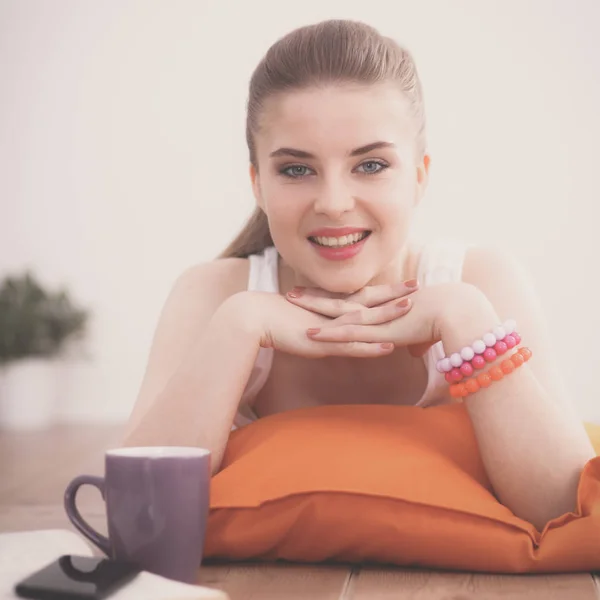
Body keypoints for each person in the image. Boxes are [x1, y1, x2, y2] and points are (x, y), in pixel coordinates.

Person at [122, 19, 595, 531]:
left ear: (419, 176)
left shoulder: (482, 281)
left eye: (370, 165)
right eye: (297, 169)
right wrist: (239, 326)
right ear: (258, 184)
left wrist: (465, 319)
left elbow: (568, 510)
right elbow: (133, 515)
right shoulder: (213, 294)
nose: (334, 203)